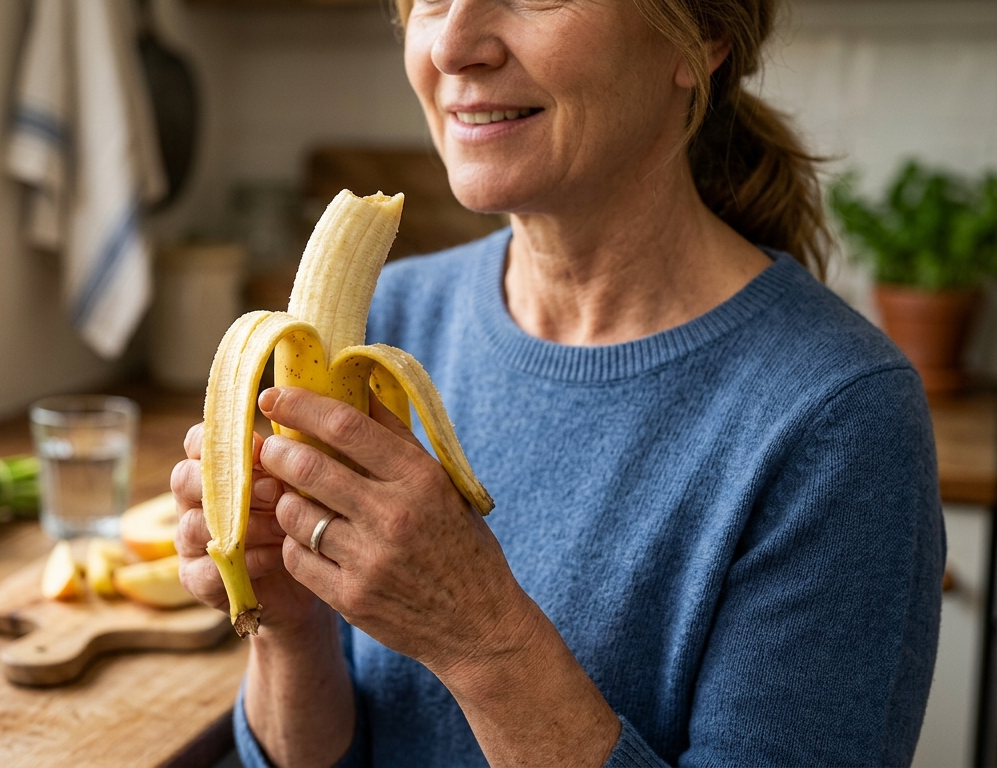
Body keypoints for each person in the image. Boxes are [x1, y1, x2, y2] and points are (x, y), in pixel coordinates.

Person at [171, 0, 944, 764]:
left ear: (701, 34)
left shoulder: (840, 419)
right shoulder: (385, 325)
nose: (453, 46)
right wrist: (291, 629)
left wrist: (483, 640)